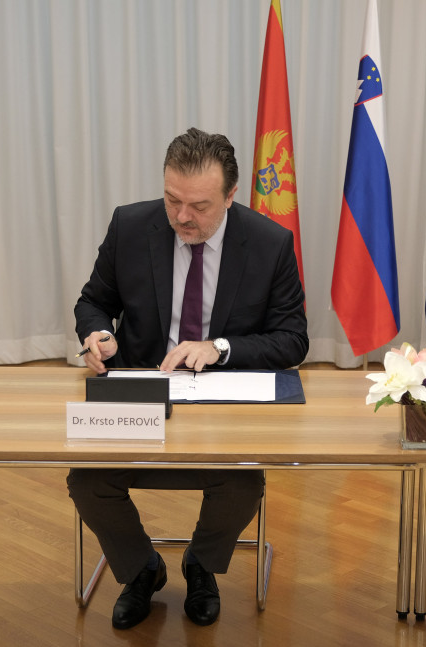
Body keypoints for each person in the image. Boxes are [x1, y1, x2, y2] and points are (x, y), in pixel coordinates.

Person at [69, 127, 308, 629]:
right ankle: (141, 569)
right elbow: (94, 301)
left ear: (231, 195)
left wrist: (218, 348)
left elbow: (292, 340)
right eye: (172, 199)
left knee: (243, 483)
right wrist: (96, 336)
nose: (182, 216)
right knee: (87, 480)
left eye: (199, 205)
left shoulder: (269, 243)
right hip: (141, 392)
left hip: (223, 399)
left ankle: (201, 564)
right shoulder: (131, 227)